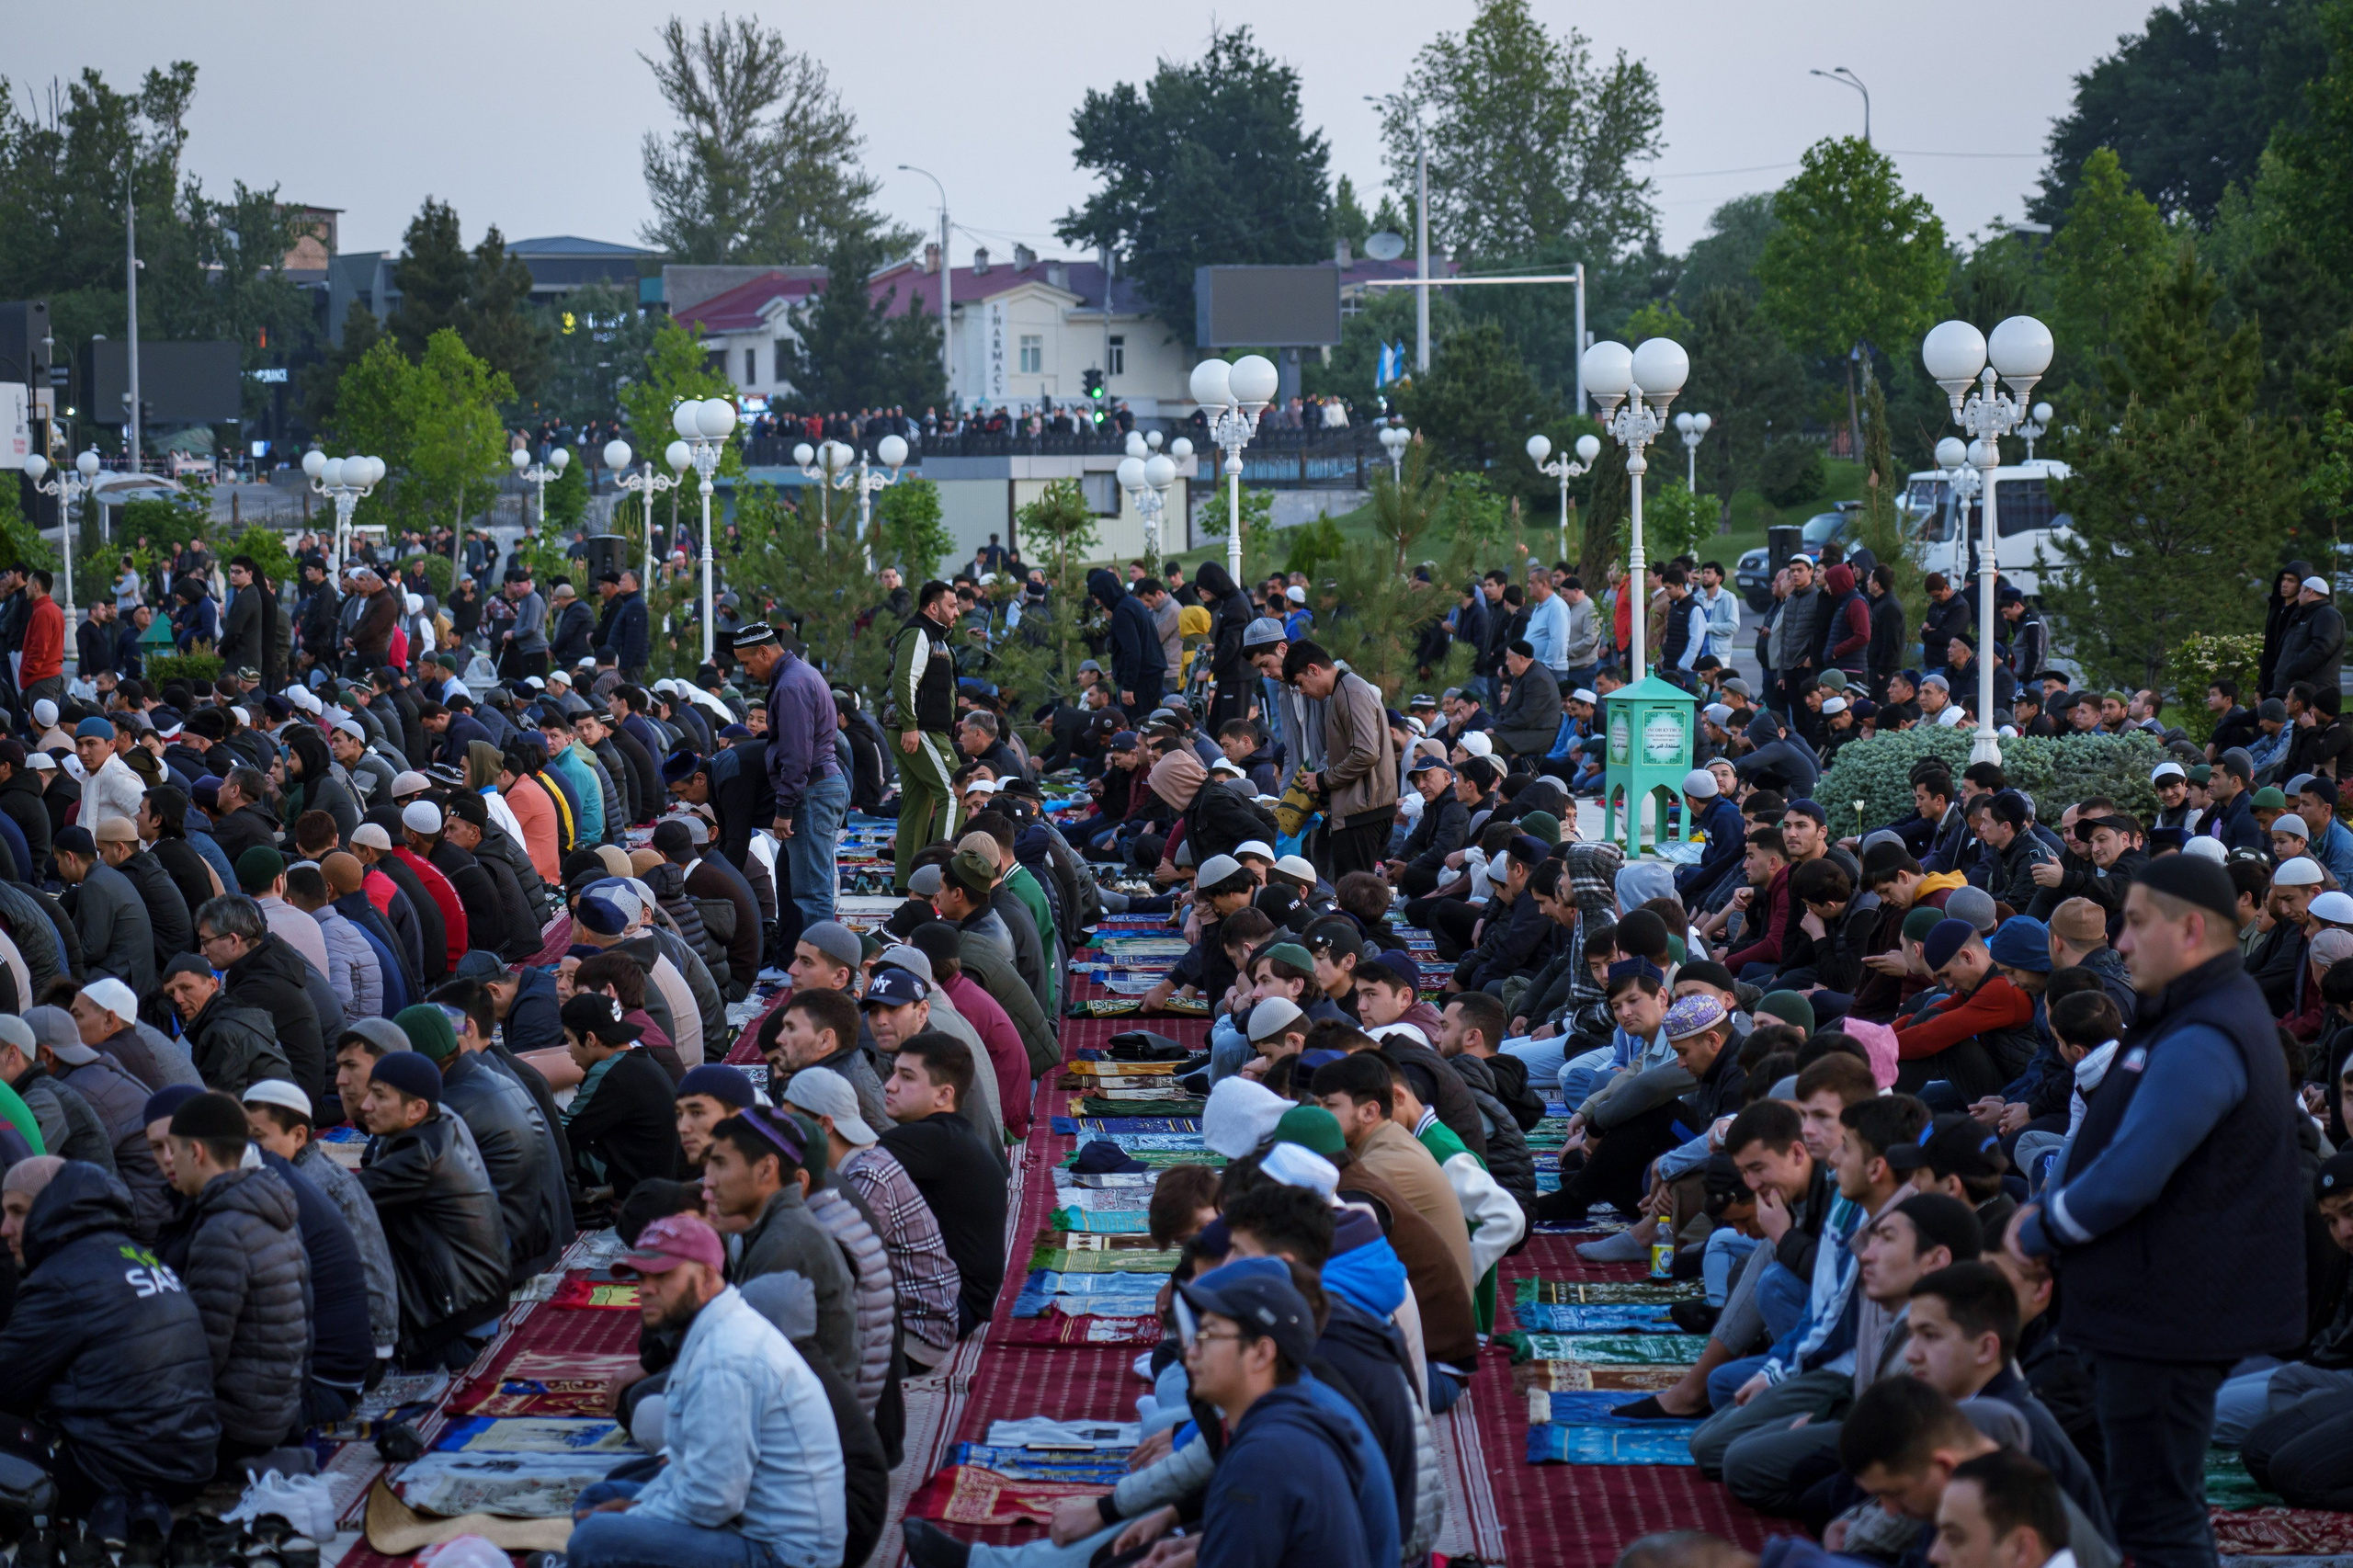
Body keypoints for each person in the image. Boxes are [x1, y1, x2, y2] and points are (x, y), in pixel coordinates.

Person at [2006, 855, 2302, 1568]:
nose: (2125, 943)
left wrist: (2040, 1229)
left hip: (2170, 1313)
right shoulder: (2188, 1012)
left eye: (2137, 924)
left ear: (2193, 928)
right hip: (2154, 1305)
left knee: (2158, 1515)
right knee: (2143, 1503)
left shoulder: (2210, 1031)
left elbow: (2132, 1174)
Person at [564, 1212, 848, 1568]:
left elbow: (713, 1499)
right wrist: (642, 1508)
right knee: (600, 1498)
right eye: (642, 1276)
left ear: (708, 1277)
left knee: (596, 1537)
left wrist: (637, 1517)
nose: (647, 1288)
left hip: (783, 1555)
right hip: (747, 1522)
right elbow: (690, 1466)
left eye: (664, 1275)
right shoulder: (713, 1330)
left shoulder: (724, 1359)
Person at [0, 1158, 222, 1515]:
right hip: (190, 1464)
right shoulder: (138, 1256)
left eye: (18, 1212)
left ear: (50, 1212)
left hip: (114, 1476)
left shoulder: (61, 1278)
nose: (5, 1228)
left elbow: (7, 1384)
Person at [158, 1091, 309, 1464]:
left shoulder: (223, 1230)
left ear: (196, 1152)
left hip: (242, 1425)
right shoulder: (265, 1202)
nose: (168, 1162)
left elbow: (203, 1351)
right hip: (280, 1408)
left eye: (172, 1150)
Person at [354, 1047, 511, 1369]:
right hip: (475, 1308)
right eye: (369, 1093)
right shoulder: (436, 1131)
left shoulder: (420, 1155)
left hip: (452, 1325)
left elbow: (345, 1200)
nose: (365, 1105)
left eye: (380, 1097)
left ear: (417, 1109)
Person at [244, 1077, 402, 1365]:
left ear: (298, 1136)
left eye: (258, 1138)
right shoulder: (297, 1174)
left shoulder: (315, 1187)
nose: (250, 1150)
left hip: (361, 1347)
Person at [880, 1029, 1006, 1336]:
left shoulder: (932, 1140)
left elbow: (843, 1165)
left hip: (950, 1307)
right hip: (963, 1301)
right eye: (893, 1072)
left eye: (907, 1077)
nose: (890, 1085)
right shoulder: (950, 1135)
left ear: (943, 1095)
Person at [735, 623, 850, 932]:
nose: (745, 672)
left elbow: (797, 755)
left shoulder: (790, 685)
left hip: (812, 791)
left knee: (812, 894)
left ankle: (827, 973)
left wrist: (784, 809)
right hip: (819, 787)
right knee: (804, 885)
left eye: (747, 663)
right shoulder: (801, 674)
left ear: (763, 652)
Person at [1283, 641, 1399, 878]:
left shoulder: (1350, 692)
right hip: (1360, 810)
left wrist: (1324, 780)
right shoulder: (1343, 691)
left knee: (1357, 895)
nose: (1302, 692)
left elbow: (1366, 754)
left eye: (1300, 684)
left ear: (1314, 670)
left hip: (1363, 815)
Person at [561, 992, 683, 1203]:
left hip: (638, 1188)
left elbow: (565, 1136)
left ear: (591, 1039)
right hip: (659, 1175)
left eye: (570, 1040)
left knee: (542, 1143)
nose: (569, 1050)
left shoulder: (610, 1074)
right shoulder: (638, 1057)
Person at [890, 583, 963, 892]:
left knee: (917, 804)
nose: (957, 612)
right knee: (957, 791)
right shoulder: (918, 632)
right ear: (933, 608)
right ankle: (937, 880)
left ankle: (906, 883)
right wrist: (910, 725)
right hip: (920, 730)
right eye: (952, 606)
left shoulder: (936, 638)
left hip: (920, 729)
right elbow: (904, 678)